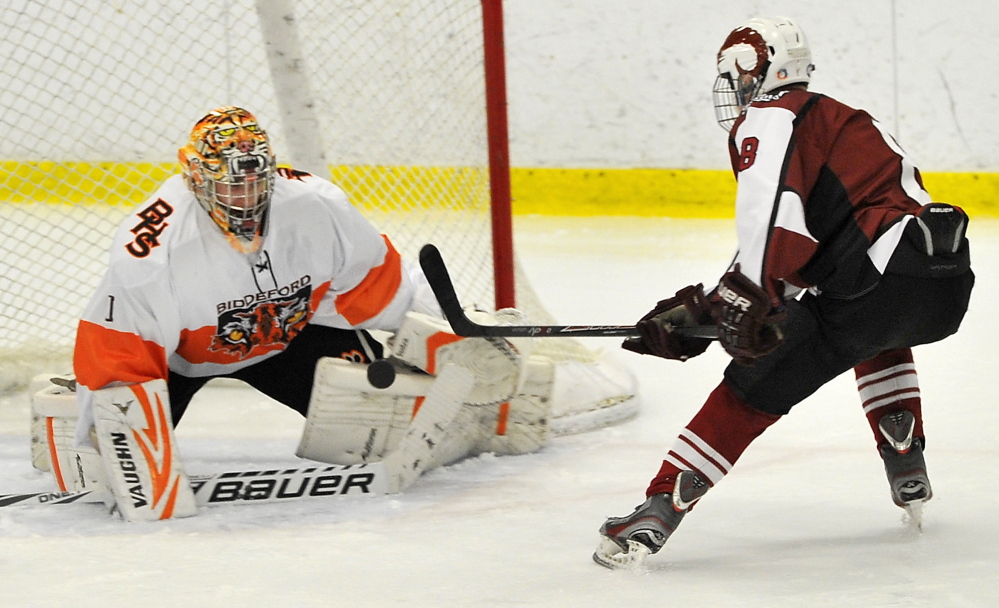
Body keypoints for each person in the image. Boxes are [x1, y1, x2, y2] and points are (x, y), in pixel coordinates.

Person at [593, 17, 974, 569]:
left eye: (735, 77)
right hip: (939, 281)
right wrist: (708, 308)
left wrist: (747, 297)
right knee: (868, 331)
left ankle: (660, 506)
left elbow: (776, 217)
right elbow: (807, 243)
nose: (735, 93)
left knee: (754, 383)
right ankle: (905, 457)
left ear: (754, 67)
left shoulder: (772, 115)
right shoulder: (844, 117)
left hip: (875, 273)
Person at [60, 106, 552, 521]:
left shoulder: (316, 205)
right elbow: (117, 355)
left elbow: (383, 288)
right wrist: (108, 434)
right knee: (119, 474)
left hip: (286, 342)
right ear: (193, 176)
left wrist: (451, 337)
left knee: (389, 430)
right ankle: (65, 414)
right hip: (178, 364)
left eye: (255, 181)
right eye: (230, 186)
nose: (245, 198)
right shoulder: (151, 250)